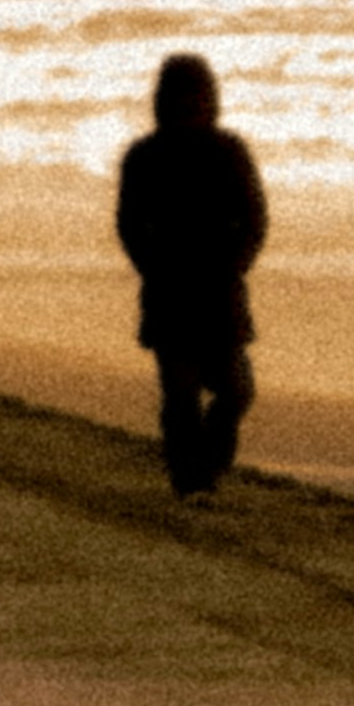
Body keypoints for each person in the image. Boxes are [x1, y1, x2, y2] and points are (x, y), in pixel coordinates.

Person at [116, 51, 268, 498]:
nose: (189, 105)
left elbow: (255, 217)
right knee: (180, 394)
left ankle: (209, 464)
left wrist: (237, 262)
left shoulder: (229, 151)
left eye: (197, 96)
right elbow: (128, 223)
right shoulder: (145, 157)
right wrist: (151, 265)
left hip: (220, 292)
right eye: (180, 96)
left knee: (236, 390)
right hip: (170, 293)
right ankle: (188, 478)